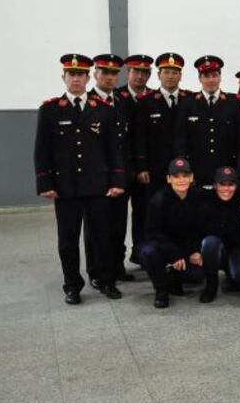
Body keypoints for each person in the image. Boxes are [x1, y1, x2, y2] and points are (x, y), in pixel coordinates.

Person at [35, 54, 126, 304]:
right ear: (63, 77)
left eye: (80, 74)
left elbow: (113, 150)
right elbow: (42, 150)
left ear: (88, 78)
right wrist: (45, 183)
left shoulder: (104, 110)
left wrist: (117, 181)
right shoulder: (50, 109)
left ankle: (106, 280)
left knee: (102, 236)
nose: (76, 79)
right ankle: (72, 285)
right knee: (68, 240)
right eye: (71, 74)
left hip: (98, 186)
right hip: (65, 189)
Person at [138, 158, 218, 308]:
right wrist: (174, 253)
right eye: (176, 176)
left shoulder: (199, 196)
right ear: (169, 179)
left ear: (192, 177)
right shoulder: (158, 201)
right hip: (164, 247)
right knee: (148, 252)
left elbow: (204, 227)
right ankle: (161, 291)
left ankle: (173, 277)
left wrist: (195, 250)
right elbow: (152, 234)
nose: (181, 180)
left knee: (196, 276)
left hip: (187, 248)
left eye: (185, 176)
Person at [86, 53, 135, 284]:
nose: (109, 77)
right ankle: (96, 272)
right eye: (104, 72)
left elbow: (129, 139)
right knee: (96, 227)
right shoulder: (87, 101)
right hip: (96, 177)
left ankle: (116, 267)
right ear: (95, 74)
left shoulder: (124, 100)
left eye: (114, 73)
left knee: (117, 224)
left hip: (120, 174)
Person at [173, 55, 240, 186]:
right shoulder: (188, 103)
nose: (211, 80)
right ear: (199, 78)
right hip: (197, 170)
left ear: (220, 77)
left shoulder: (233, 102)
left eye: (214, 75)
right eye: (206, 76)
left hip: (227, 170)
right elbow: (180, 137)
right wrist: (183, 168)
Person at [116, 54, 153, 267]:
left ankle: (140, 254)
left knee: (144, 213)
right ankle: (116, 263)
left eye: (144, 72)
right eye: (135, 71)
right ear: (127, 72)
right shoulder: (116, 97)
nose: (139, 76)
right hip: (121, 169)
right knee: (117, 219)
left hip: (146, 169)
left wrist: (143, 166)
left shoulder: (153, 98)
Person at [134, 52, 187, 198]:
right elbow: (140, 137)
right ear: (158, 75)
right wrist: (141, 167)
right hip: (155, 167)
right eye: (166, 72)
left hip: (183, 167)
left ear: (180, 76)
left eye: (175, 72)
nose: (170, 76)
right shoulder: (145, 102)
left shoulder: (189, 99)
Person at [202, 166, 240, 293]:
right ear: (215, 185)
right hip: (216, 246)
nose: (226, 189)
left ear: (236, 186)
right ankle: (211, 285)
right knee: (210, 242)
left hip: (238, 247)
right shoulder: (206, 202)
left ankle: (231, 270)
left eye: (230, 184)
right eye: (222, 184)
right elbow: (203, 232)